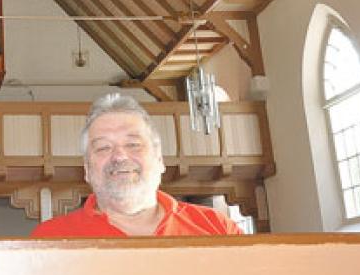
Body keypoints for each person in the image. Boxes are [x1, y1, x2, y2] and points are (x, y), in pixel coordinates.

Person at [31, 94, 241, 237]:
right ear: (86, 170)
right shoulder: (50, 239)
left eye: (133, 144)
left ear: (160, 159)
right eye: (103, 147)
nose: (119, 156)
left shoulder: (218, 229)